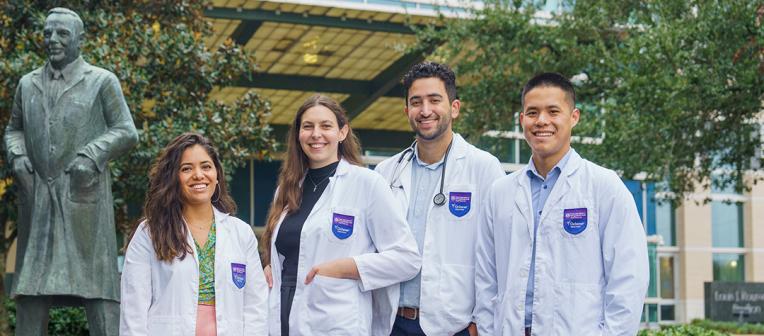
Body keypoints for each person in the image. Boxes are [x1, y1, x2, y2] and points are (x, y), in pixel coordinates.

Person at [474, 73, 649, 335]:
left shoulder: (604, 186)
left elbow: (629, 278)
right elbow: (486, 277)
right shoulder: (500, 192)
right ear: (522, 120)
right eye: (532, 113)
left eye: (553, 111)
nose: (541, 121)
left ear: (574, 117)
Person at [3, 7, 138, 335]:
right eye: (48, 33)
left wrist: (92, 155)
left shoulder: (101, 81)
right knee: (32, 291)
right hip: (38, 200)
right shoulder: (27, 83)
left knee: (98, 292)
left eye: (62, 34)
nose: (52, 40)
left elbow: (126, 131)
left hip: (83, 199)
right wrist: (17, 156)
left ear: (80, 39)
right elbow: (13, 130)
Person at [261, 94, 421, 336]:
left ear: (342, 132)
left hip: (335, 321)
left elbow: (407, 259)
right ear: (298, 135)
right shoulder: (285, 191)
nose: (316, 134)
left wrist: (347, 267)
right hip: (282, 314)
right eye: (308, 126)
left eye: (326, 126)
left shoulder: (367, 184)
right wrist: (268, 266)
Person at [374, 61, 505, 335]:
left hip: (454, 326)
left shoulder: (483, 168)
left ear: (454, 107)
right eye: (416, 102)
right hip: (392, 323)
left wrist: (481, 322)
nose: (425, 111)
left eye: (435, 100)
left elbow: (500, 252)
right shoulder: (386, 172)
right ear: (406, 110)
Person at [119, 133, 268, 335]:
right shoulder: (150, 233)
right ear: (173, 178)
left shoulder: (241, 233)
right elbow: (133, 310)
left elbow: (255, 306)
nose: (198, 175)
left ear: (217, 176)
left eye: (206, 166)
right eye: (186, 168)